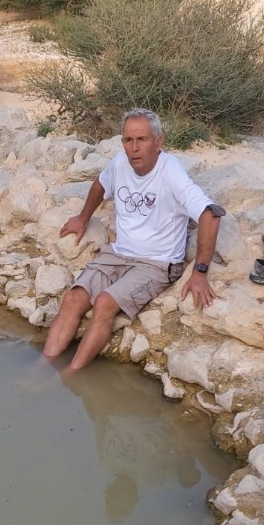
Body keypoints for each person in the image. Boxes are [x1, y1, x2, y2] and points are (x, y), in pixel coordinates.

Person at [42, 108, 223, 372]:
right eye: (128, 140)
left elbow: (211, 214)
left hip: (156, 264)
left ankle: (70, 375)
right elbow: (100, 185)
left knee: (104, 303)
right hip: (118, 253)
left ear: (159, 142)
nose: (134, 148)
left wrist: (200, 271)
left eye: (142, 140)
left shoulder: (171, 172)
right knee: (74, 299)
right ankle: (42, 368)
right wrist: (82, 218)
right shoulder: (120, 163)